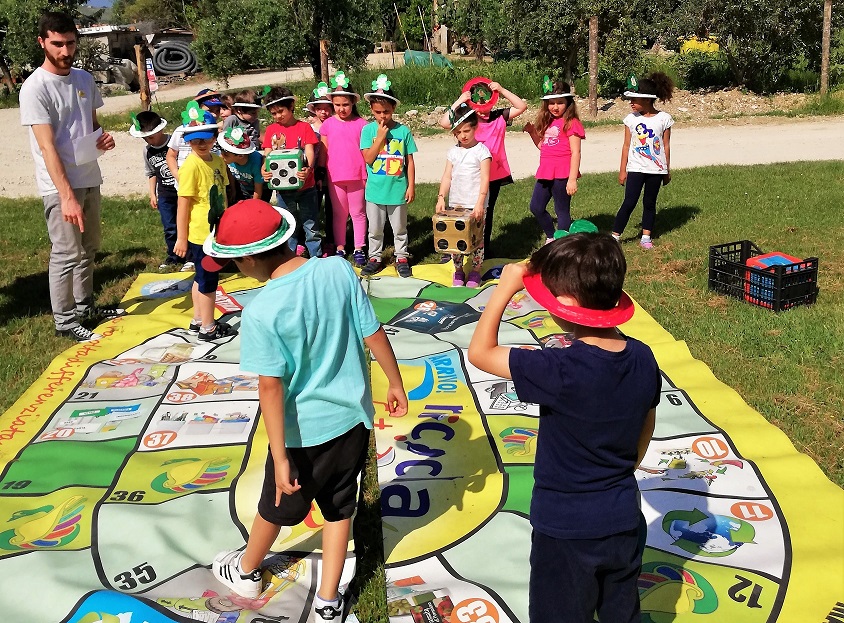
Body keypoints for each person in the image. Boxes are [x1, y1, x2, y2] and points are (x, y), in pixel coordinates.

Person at [203, 199, 407, 620]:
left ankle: (246, 570)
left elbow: (270, 386)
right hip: (353, 422)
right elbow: (372, 330)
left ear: (248, 261)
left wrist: (280, 457)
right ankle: (329, 600)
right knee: (340, 507)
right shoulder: (338, 269)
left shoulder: (261, 312)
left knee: (277, 506)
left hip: (301, 436)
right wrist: (395, 381)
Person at [467, 233, 659, 623]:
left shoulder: (559, 369)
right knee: (622, 613)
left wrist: (505, 287)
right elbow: (645, 429)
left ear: (567, 306)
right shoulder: (643, 357)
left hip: (565, 529)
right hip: (623, 517)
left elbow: (480, 353)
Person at [19, 11, 122, 342]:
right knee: (66, 253)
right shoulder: (34, 88)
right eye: (57, 44)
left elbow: (91, 126)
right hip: (59, 186)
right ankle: (64, 321)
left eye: (71, 44)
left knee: (89, 247)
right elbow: (47, 147)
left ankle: (85, 307)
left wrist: (102, 139)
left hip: (89, 176)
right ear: (42, 42)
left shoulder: (84, 79)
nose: (66, 51)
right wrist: (65, 196)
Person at [439, 80, 527, 257]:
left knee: (485, 214)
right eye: (476, 104)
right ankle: (456, 248)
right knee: (458, 213)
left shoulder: (499, 116)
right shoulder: (469, 120)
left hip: (493, 175)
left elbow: (521, 106)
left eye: (485, 102)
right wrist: (460, 100)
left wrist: (501, 90)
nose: (481, 108)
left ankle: (482, 250)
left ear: (492, 101)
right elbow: (444, 122)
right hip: (469, 176)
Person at [173, 103, 234, 341]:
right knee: (208, 280)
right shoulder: (191, 166)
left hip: (216, 230)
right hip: (200, 233)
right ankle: (208, 328)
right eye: (195, 140)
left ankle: (198, 319)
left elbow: (223, 192)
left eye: (206, 138)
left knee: (201, 276)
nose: (201, 143)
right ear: (188, 141)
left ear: (214, 137)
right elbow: (183, 204)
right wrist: (181, 238)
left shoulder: (217, 161)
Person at [359, 74, 417, 278]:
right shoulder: (368, 131)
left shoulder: (403, 131)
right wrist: (380, 138)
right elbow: (368, 158)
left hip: (397, 189)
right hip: (375, 191)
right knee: (375, 228)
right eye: (378, 112)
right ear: (371, 110)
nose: (382, 116)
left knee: (399, 228)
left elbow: (410, 161)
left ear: (393, 109)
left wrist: (411, 186)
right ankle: (375, 257)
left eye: (386, 112)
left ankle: (401, 257)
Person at [612, 73, 675, 249]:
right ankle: (615, 236)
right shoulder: (631, 119)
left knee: (649, 203)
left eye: (634, 99)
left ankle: (646, 237)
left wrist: (666, 170)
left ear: (647, 100)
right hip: (635, 168)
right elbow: (626, 146)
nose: (631, 103)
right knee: (629, 202)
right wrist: (623, 170)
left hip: (656, 170)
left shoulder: (664, 119)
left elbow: (666, 146)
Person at [261, 86, 322, 258]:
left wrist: (308, 169)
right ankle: (289, 258)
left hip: (306, 187)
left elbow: (309, 151)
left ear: (291, 106)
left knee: (311, 225)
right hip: (283, 190)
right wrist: (264, 169)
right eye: (273, 113)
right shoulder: (271, 130)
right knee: (288, 224)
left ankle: (316, 257)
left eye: (281, 111)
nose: (277, 116)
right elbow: (267, 155)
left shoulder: (304, 127)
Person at [523, 78, 586, 243]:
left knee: (561, 211)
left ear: (568, 103)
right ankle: (552, 236)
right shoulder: (548, 121)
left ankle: (562, 243)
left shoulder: (572, 123)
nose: (555, 107)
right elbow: (543, 146)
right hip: (546, 171)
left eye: (560, 103)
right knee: (536, 207)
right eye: (551, 103)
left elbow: (576, 152)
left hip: (563, 173)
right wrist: (532, 132)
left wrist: (572, 179)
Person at [435, 103, 491, 288]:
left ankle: (475, 271)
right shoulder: (453, 152)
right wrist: (441, 197)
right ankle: (458, 270)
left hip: (475, 204)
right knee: (455, 238)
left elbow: (485, 178)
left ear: (475, 127)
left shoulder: (482, 151)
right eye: (458, 132)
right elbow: (447, 176)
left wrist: (480, 203)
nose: (463, 135)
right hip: (456, 204)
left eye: (466, 131)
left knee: (477, 239)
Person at [319, 71, 368, 266]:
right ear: (332, 103)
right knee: (339, 214)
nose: (341, 109)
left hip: (357, 176)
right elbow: (323, 151)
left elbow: (366, 151)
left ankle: (359, 247)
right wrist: (321, 172)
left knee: (358, 213)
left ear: (353, 103)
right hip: (335, 177)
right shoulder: (327, 125)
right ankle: (340, 247)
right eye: (337, 105)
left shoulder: (362, 125)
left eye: (345, 104)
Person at [129, 110, 180, 271]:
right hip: (165, 194)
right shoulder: (147, 151)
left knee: (186, 223)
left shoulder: (174, 143)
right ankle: (173, 256)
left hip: (182, 192)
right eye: (144, 138)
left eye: (150, 137)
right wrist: (153, 193)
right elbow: (151, 173)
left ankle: (190, 256)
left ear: (161, 130)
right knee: (169, 227)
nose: (147, 140)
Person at [167, 88, 225, 183]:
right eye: (210, 110)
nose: (214, 115)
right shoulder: (182, 130)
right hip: (186, 181)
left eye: (217, 110)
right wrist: (177, 176)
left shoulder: (218, 132)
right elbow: (171, 155)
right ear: (196, 109)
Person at [306, 84, 335, 254]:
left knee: (332, 210)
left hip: (333, 175)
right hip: (313, 176)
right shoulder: (310, 128)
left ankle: (331, 240)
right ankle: (309, 240)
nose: (323, 112)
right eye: (319, 109)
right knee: (312, 210)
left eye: (327, 108)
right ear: (314, 110)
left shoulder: (336, 125)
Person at [218, 126, 263, 201]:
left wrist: (254, 205)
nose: (221, 156)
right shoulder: (229, 160)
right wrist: (233, 190)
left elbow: (258, 189)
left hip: (261, 190)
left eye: (225, 155)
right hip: (243, 187)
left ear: (240, 156)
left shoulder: (256, 163)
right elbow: (230, 172)